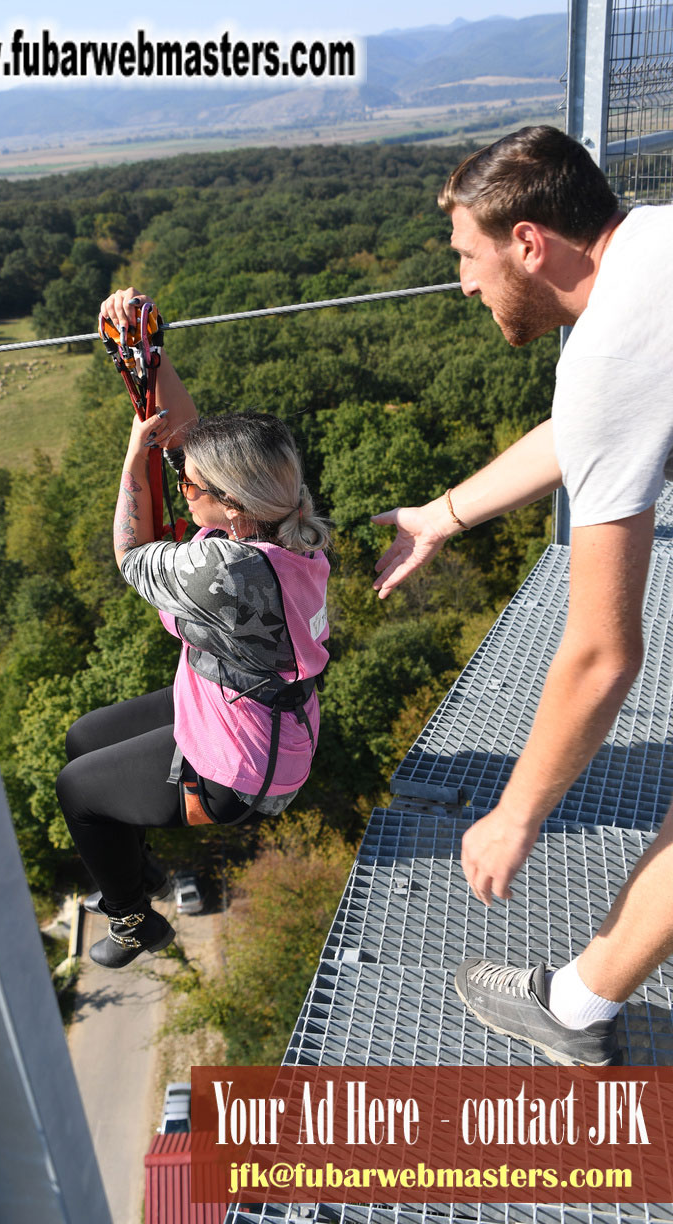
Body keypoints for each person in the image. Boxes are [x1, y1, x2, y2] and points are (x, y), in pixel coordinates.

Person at [373, 126, 673, 1066]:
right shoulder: (653, 248)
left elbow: (601, 655)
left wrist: (515, 813)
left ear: (529, 243)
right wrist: (442, 515)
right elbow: (588, 428)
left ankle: (577, 1014)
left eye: (469, 255)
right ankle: (581, 1005)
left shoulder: (613, 344)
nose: (463, 283)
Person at [56, 288, 331, 969]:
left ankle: (130, 919)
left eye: (191, 485)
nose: (182, 485)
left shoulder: (223, 572)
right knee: (83, 738)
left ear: (231, 506)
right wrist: (147, 351)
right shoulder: (289, 524)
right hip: (242, 708)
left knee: (79, 792)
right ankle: (133, 867)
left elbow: (128, 554)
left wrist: (130, 460)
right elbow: (187, 437)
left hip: (235, 772)